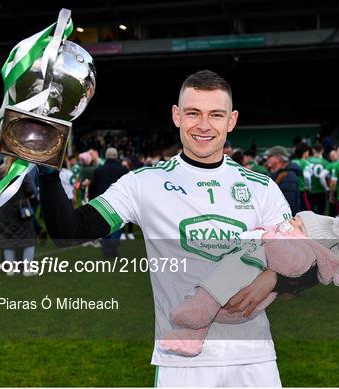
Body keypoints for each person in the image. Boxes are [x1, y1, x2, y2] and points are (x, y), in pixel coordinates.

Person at [39, 70, 292, 387]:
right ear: (176, 115)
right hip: (182, 364)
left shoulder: (261, 187)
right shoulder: (144, 184)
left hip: (253, 361)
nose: (203, 125)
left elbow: (301, 259)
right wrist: (48, 174)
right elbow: (70, 232)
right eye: (193, 113)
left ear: (232, 120)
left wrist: (274, 278)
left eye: (216, 114)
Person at [0, 156, 37, 276]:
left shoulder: (0, 173)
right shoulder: (22, 172)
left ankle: (10, 269)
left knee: (7, 240)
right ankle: (28, 269)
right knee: (28, 239)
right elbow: (31, 190)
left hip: (3, 210)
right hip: (20, 210)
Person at [90, 147, 129, 257]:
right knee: (118, 225)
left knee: (104, 227)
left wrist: (91, 203)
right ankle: (113, 243)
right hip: (119, 202)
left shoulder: (98, 170)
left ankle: (107, 252)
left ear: (106, 156)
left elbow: (93, 188)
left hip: (102, 203)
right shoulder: (122, 169)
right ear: (116, 156)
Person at [265, 146, 301, 215]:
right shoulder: (279, 173)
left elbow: (289, 203)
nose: (267, 159)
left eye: (270, 156)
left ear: (278, 158)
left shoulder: (288, 175)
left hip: (286, 219)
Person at [307, 143, 330, 215]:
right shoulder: (326, 163)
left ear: (313, 150)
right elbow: (328, 178)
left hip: (310, 191)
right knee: (321, 213)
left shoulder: (307, 161)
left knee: (310, 213)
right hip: (321, 190)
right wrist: (327, 188)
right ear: (322, 150)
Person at [291, 142, 312, 211]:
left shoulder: (292, 162)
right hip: (301, 190)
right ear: (305, 152)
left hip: (292, 189)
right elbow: (307, 177)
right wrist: (308, 187)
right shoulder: (306, 163)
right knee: (306, 211)